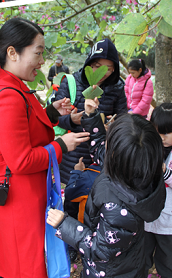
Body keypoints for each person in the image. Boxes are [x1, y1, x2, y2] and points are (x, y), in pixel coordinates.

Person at [0, 17, 90, 278]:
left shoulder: (8, 86)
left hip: (15, 194)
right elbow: (22, 159)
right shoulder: (8, 96)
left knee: (11, 261)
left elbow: (22, 129)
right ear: (12, 53)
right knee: (21, 266)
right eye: (37, 53)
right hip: (19, 198)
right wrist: (61, 145)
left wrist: (52, 113)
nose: (41, 61)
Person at [47, 104, 166, 278]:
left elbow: (99, 250)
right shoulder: (136, 170)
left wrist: (65, 225)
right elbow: (100, 149)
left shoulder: (119, 211)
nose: (105, 145)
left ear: (116, 156)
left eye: (109, 139)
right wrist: (92, 117)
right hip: (121, 270)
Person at [54, 38, 127, 184]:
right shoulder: (71, 82)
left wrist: (112, 125)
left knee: (98, 193)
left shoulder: (117, 87)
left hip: (102, 156)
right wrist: (71, 120)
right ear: (89, 63)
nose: (102, 72)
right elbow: (55, 118)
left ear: (114, 68)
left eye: (108, 68)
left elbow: (122, 118)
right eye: (97, 66)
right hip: (73, 154)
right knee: (73, 192)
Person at [144, 103, 172, 278]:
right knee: (144, 251)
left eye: (167, 133)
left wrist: (165, 172)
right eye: (157, 132)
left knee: (167, 255)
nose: (162, 137)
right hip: (148, 216)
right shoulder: (148, 146)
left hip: (170, 219)